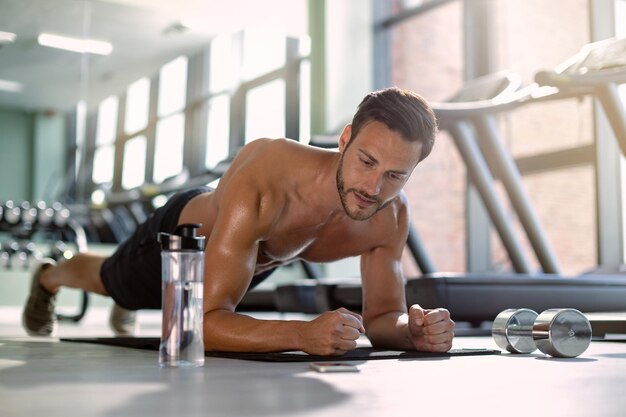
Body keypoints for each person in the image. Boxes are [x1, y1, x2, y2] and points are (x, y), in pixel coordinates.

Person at [23, 87, 455, 355]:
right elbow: (204, 325)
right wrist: (302, 336)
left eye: (396, 175)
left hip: (251, 263)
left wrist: (412, 331)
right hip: (183, 239)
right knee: (110, 281)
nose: (374, 187)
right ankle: (51, 275)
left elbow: (383, 318)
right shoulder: (268, 175)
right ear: (345, 140)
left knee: (217, 283)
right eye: (366, 161)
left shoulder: (389, 216)